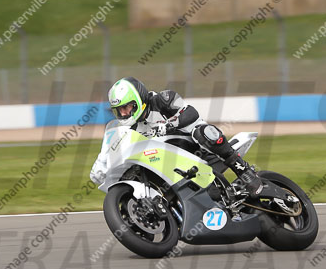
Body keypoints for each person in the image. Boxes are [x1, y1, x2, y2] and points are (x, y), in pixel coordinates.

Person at [90, 76, 263, 197]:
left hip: (195, 148)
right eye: (120, 110)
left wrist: (168, 125)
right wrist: (101, 164)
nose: (124, 113)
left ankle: (244, 171)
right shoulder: (127, 127)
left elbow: (190, 113)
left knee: (204, 132)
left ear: (139, 99)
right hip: (167, 161)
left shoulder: (163, 99)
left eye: (127, 107)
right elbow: (112, 144)